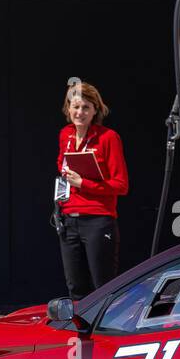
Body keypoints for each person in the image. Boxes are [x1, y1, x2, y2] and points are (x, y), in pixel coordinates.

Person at [55, 81, 129, 299]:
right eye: (76, 107)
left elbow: (121, 185)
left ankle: (104, 331)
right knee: (75, 286)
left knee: (103, 285)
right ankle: (80, 331)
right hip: (69, 218)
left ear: (96, 110)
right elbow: (61, 163)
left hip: (97, 219)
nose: (80, 112)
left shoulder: (108, 138)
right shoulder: (65, 135)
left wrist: (84, 183)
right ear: (68, 108)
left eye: (86, 107)